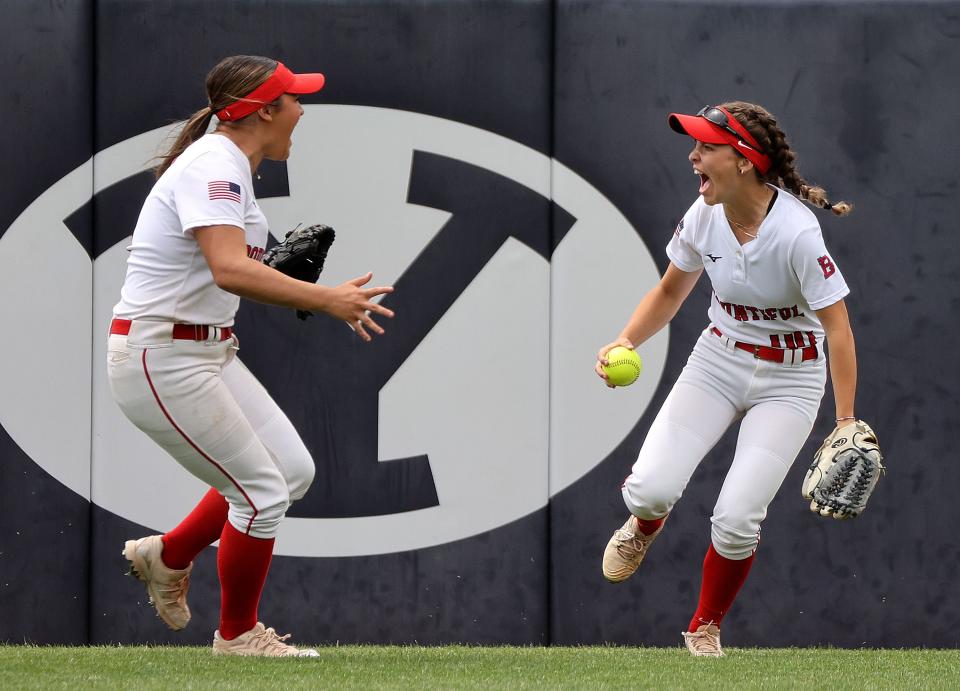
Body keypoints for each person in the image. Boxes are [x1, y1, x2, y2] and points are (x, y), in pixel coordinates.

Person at [107, 55, 394, 657]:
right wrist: (326, 298)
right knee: (260, 494)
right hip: (163, 356)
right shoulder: (215, 162)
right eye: (293, 99)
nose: (302, 109)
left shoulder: (226, 162)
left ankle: (169, 554)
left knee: (292, 474)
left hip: (201, 350)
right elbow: (227, 269)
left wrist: (275, 269)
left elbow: (228, 267)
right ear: (264, 111)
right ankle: (237, 636)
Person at [597, 102, 857, 657]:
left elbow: (839, 330)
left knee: (737, 519)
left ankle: (705, 626)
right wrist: (625, 340)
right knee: (649, 492)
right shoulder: (703, 215)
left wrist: (844, 421)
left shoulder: (796, 233)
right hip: (718, 360)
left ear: (743, 160)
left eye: (706, 147)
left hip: (791, 379)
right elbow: (670, 291)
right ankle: (643, 528)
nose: (693, 156)